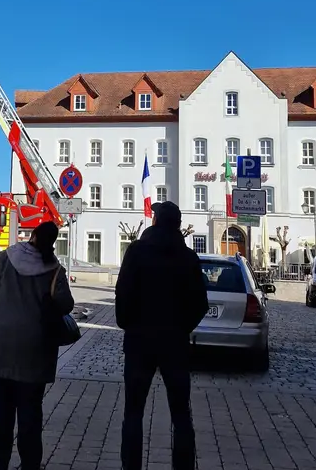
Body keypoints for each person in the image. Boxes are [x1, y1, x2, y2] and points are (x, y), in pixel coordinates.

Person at [0, 220, 74, 470]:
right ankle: (30, 464)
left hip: (0, 345)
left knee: (1, 410)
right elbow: (66, 304)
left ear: (32, 236)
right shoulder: (54, 269)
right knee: (30, 412)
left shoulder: (7, 258)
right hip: (35, 349)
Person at [114, 201, 207, 470]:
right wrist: (182, 327)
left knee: (133, 411)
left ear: (156, 222)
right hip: (174, 343)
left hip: (139, 341)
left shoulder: (137, 251)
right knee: (181, 414)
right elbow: (200, 303)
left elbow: (123, 292)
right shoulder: (188, 257)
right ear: (177, 225)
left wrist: (128, 323)